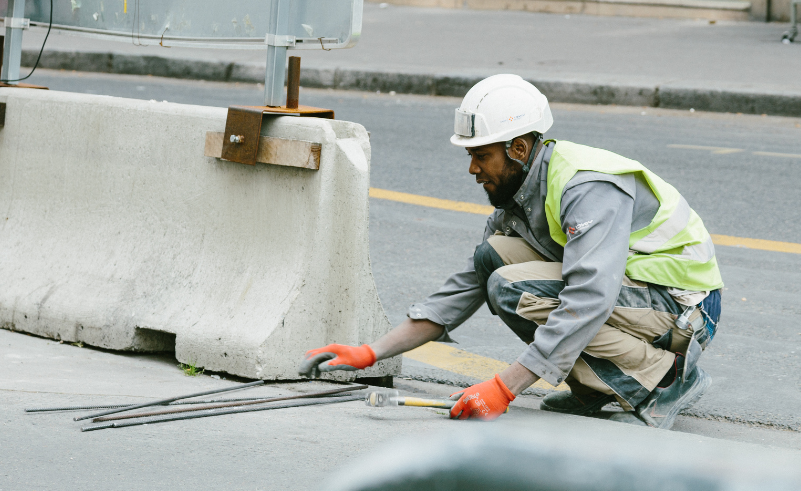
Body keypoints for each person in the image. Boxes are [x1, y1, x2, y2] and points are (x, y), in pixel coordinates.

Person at [299, 74, 723, 429]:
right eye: (471, 155)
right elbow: (463, 289)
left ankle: (663, 382)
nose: (472, 168)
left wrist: (504, 387)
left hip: (684, 307)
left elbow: (590, 297)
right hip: (639, 298)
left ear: (519, 149)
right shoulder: (518, 195)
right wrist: (371, 352)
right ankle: (596, 388)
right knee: (494, 260)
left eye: (481, 155)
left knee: (511, 287)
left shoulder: (586, 187)